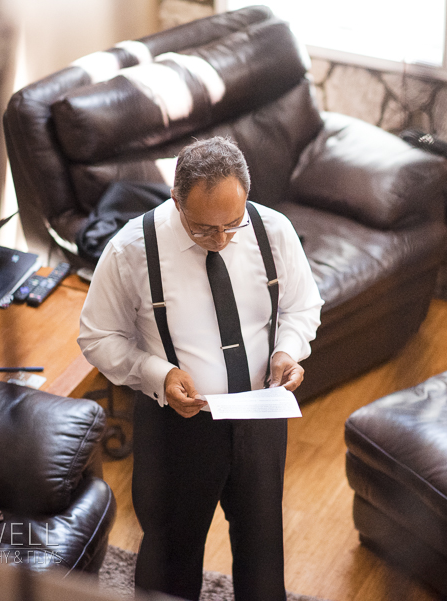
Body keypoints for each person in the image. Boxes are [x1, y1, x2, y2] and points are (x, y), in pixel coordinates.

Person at [78, 136, 323, 601]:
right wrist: (157, 374)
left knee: (262, 548)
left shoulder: (273, 231)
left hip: (260, 416)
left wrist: (286, 351)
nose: (222, 239)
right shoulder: (131, 249)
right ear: (176, 200)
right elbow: (96, 336)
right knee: (171, 555)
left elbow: (301, 306)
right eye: (204, 228)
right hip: (176, 427)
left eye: (233, 224)